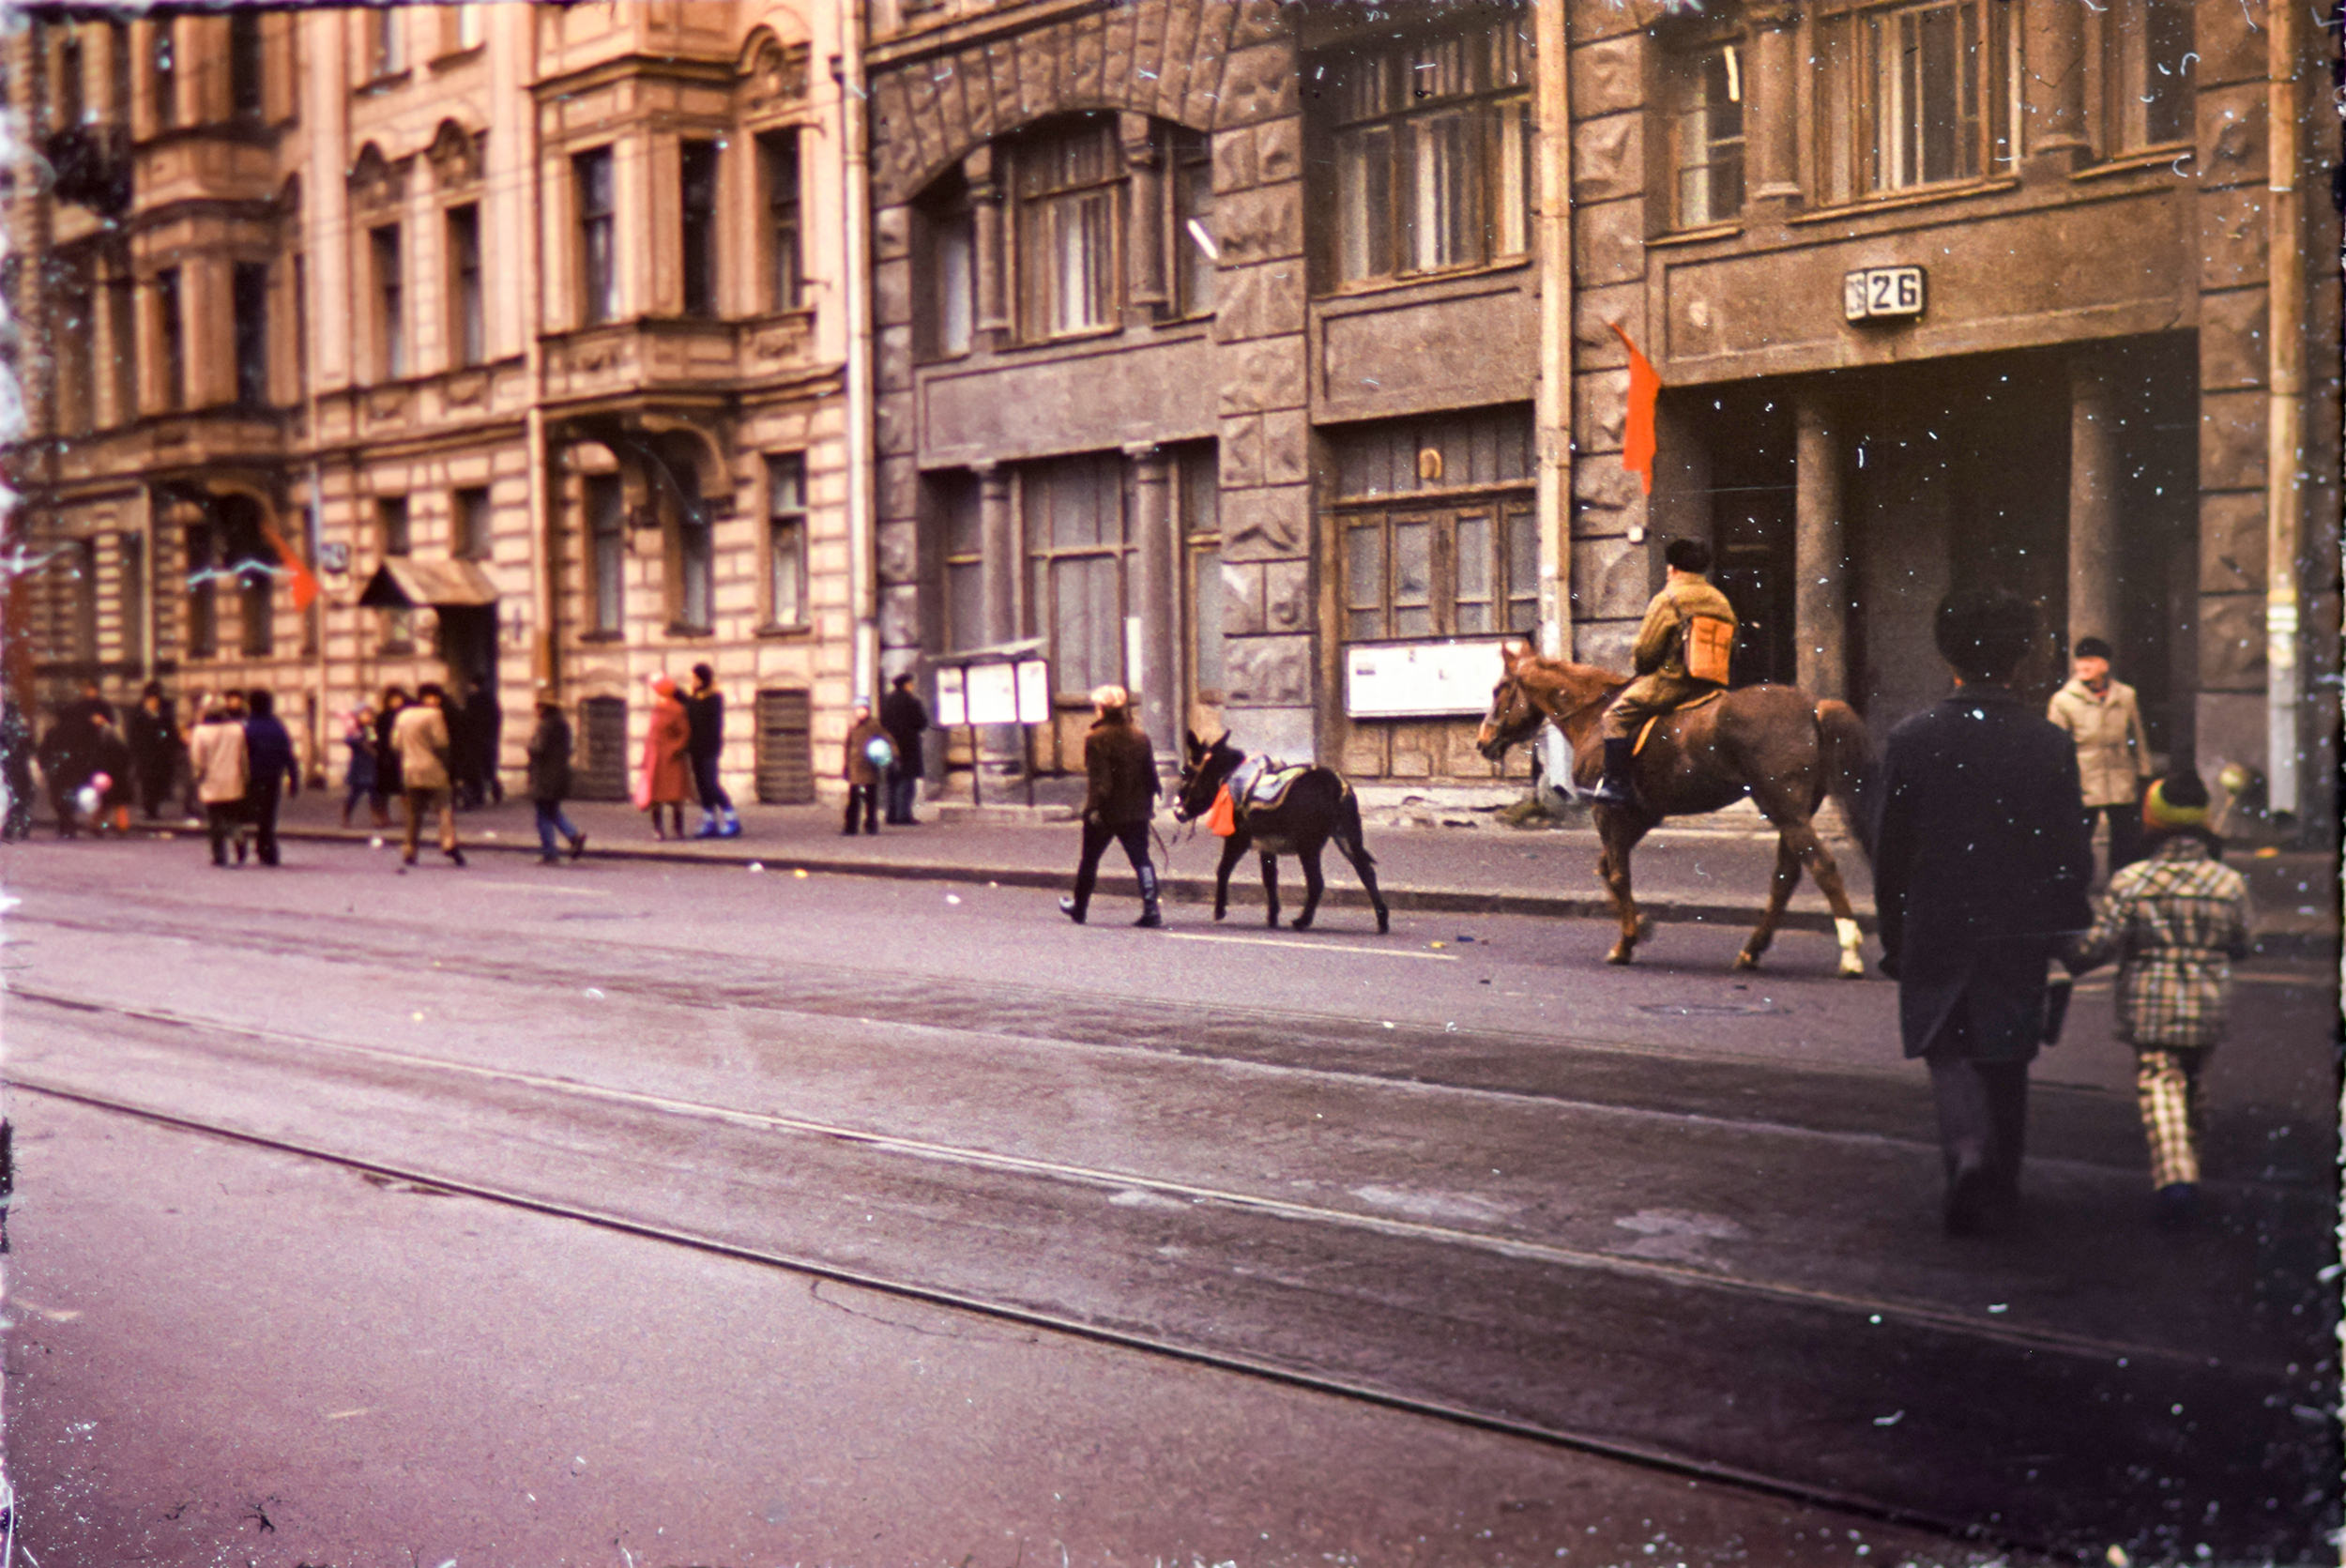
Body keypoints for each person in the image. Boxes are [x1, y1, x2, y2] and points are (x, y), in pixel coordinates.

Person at [1875, 586, 2094, 1237]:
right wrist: (2065, 925)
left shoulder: (1911, 738)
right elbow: (2070, 850)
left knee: (1946, 1047)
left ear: (1947, 653)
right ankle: (2005, 1185)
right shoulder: (2049, 742)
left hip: (1936, 919)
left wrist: (1895, 936)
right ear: (2021, 656)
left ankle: (1968, 1153)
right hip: (2018, 924)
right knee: (2008, 1055)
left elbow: (1892, 854)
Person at [2064, 771, 2250, 1230]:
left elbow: (2099, 946)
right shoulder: (2228, 883)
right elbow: (2244, 942)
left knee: (2160, 1084)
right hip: (2208, 1004)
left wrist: (2069, 951)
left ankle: (2177, 1181)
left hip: (2151, 1005)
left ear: (2152, 822)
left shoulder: (2133, 881)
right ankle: (2188, 1164)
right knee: (2193, 1084)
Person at [1591, 538, 1738, 808]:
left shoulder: (1668, 599)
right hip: (1712, 685)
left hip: (1674, 683)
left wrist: (1643, 667)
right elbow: (1733, 646)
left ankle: (1617, 785)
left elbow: (1646, 652)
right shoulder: (1721, 600)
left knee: (1615, 716)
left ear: (1672, 568)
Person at [2047, 635, 2154, 881]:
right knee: (2078, 839)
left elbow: (2137, 736)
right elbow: (2056, 745)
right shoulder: (2063, 700)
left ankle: (2123, 883)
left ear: (2105, 664)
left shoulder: (2125, 695)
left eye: (2091, 661)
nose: (2083, 666)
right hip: (2084, 777)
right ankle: (2077, 885)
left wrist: (2144, 771)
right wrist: (2058, 779)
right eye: (2080, 660)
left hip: (2120, 775)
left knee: (2126, 839)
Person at [1059, 684, 1163, 928]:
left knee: (1090, 860)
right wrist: (1148, 806)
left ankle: (1079, 909)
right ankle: (1152, 910)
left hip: (1106, 812)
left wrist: (1093, 809)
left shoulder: (1097, 738)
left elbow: (1100, 781)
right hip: (1136, 810)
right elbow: (1151, 775)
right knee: (1142, 859)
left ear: (1102, 709)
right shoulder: (1140, 736)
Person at [391, 683, 465, 869]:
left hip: (409, 768)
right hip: (432, 767)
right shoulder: (434, 714)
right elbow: (441, 743)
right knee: (444, 807)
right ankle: (448, 842)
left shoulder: (403, 715)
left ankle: (409, 848)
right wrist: (448, 766)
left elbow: (395, 744)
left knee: (414, 813)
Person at [526, 689, 588, 865]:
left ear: (544, 709)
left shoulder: (545, 726)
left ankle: (550, 852)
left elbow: (538, 749)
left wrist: (530, 747)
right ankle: (574, 837)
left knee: (543, 815)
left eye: (539, 707)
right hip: (559, 775)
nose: (537, 711)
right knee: (552, 811)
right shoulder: (563, 725)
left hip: (544, 777)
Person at [186, 702, 251, 866]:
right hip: (232, 780)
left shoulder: (200, 732)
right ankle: (238, 837)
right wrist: (245, 776)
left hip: (212, 781)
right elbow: (243, 757)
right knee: (231, 816)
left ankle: (219, 855)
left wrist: (197, 776)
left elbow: (197, 759)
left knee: (214, 820)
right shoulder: (237, 730)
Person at [241, 689, 299, 867]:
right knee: (268, 814)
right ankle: (268, 850)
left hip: (251, 776)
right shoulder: (277, 726)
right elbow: (287, 753)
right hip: (273, 775)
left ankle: (246, 845)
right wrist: (293, 777)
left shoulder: (247, 726)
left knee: (247, 812)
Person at [684, 663, 739, 839]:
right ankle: (709, 821)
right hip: (695, 749)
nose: (692, 681)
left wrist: (711, 745)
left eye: (694, 678)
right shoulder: (693, 698)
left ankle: (731, 819)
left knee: (711, 784)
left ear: (702, 679)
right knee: (701, 786)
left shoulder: (714, 698)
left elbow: (713, 726)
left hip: (709, 748)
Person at [38, 698, 99, 838]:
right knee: (71, 796)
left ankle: (65, 823)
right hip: (76, 770)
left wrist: (45, 767)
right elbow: (90, 750)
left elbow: (44, 752)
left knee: (59, 798)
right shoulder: (82, 731)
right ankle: (68, 822)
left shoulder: (53, 732)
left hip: (58, 771)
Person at [639, 677, 693, 840]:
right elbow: (651, 735)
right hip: (656, 759)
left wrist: (673, 749)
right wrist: (646, 758)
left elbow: (684, 734)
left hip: (671, 760)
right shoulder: (658, 708)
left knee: (675, 796)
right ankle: (658, 829)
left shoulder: (677, 709)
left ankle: (678, 829)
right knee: (655, 797)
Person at [125, 682, 183, 821]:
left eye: (156, 700)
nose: (153, 703)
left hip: (161, 757)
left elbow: (170, 734)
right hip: (145, 757)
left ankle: (154, 808)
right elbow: (133, 737)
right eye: (151, 700)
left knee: (160, 784)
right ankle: (149, 810)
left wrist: (170, 747)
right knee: (147, 784)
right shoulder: (138, 716)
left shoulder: (163, 716)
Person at [880, 672, 930, 827]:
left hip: (891, 745)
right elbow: (921, 722)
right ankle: (903, 815)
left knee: (893, 780)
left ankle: (891, 815)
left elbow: (883, 722)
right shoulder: (912, 701)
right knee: (907, 781)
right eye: (910, 683)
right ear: (906, 685)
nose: (912, 685)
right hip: (909, 745)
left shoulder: (888, 702)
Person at [842, 700, 888, 836]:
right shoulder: (854, 727)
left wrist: (886, 758)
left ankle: (870, 825)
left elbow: (885, 741)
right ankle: (851, 827)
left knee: (870, 799)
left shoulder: (874, 726)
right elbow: (848, 747)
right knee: (854, 799)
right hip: (855, 769)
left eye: (862, 709)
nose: (860, 712)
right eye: (858, 709)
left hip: (869, 768)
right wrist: (846, 766)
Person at [84, 713, 135, 835]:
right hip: (117, 775)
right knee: (117, 804)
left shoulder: (96, 739)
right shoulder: (112, 737)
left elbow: (96, 758)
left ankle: (97, 825)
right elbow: (125, 755)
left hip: (106, 775)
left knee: (106, 804)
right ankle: (121, 827)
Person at [342, 707, 386, 828]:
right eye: (364, 715)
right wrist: (357, 739)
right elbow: (348, 741)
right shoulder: (355, 730)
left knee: (374, 793)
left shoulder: (371, 729)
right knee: (355, 793)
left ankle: (376, 817)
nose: (367, 717)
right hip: (359, 765)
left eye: (369, 715)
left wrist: (374, 744)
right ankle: (346, 816)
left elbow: (376, 742)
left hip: (371, 764)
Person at [1, 695, 37, 841]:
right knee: (22, 797)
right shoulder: (20, 729)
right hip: (19, 768)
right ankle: (21, 826)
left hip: (7, 767)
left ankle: (10, 827)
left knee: (11, 797)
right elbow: (30, 748)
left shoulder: (4, 728)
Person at [374, 687, 409, 819]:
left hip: (402, 755)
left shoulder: (406, 715)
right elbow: (376, 736)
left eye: (399, 699)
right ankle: (383, 815)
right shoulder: (382, 717)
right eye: (393, 699)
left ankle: (408, 815)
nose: (396, 702)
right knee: (384, 789)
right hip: (385, 756)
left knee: (405, 787)